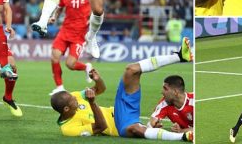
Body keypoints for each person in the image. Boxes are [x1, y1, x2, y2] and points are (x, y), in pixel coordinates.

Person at [49, 38, 192, 141]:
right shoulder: (68, 129)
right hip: (119, 127)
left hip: (119, 109)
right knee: (137, 129)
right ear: (66, 109)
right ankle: (183, 137)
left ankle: (179, 56)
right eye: (73, 100)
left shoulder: (73, 96)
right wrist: (92, 103)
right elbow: (101, 126)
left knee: (131, 70)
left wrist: (98, 81)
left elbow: (100, 90)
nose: (75, 97)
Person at [48, 0, 93, 95]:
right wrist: (54, 17)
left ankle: (86, 67)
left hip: (79, 35)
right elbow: (59, 9)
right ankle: (59, 87)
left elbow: (95, 11)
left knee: (70, 64)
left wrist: (91, 26)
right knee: (54, 57)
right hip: (65, 31)